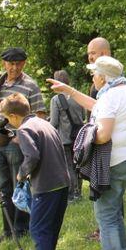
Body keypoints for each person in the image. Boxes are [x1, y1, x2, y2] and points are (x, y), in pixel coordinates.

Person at [80, 56, 126, 250]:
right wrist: (69, 92)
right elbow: (96, 107)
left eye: (94, 73)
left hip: (111, 163)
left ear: (103, 77)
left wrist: (85, 136)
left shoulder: (109, 97)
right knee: (114, 213)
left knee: (106, 218)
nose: (92, 77)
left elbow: (103, 135)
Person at [2, 93, 69, 250]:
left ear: (14, 116)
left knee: (39, 231)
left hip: (46, 187)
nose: (8, 122)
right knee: (50, 230)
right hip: (62, 183)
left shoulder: (24, 129)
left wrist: (21, 174)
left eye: (8, 119)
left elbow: (32, 157)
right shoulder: (44, 123)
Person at [49, 36, 111, 242]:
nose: (89, 57)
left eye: (92, 53)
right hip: (83, 135)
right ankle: (101, 226)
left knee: (72, 168)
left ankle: (77, 196)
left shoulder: (57, 99)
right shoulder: (81, 94)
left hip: (77, 139)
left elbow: (55, 122)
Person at [0, 47, 47, 242]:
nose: (14, 68)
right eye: (11, 64)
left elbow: (40, 115)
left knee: (19, 186)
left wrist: (20, 137)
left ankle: (22, 229)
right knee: (2, 188)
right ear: (3, 63)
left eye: (18, 63)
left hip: (17, 143)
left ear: (24, 63)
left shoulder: (30, 85)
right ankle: (8, 230)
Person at [49, 69, 86, 202]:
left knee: (68, 166)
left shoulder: (56, 100)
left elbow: (53, 122)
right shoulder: (78, 96)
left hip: (64, 138)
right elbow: (83, 117)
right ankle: (79, 192)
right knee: (78, 165)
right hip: (79, 136)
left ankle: (72, 194)